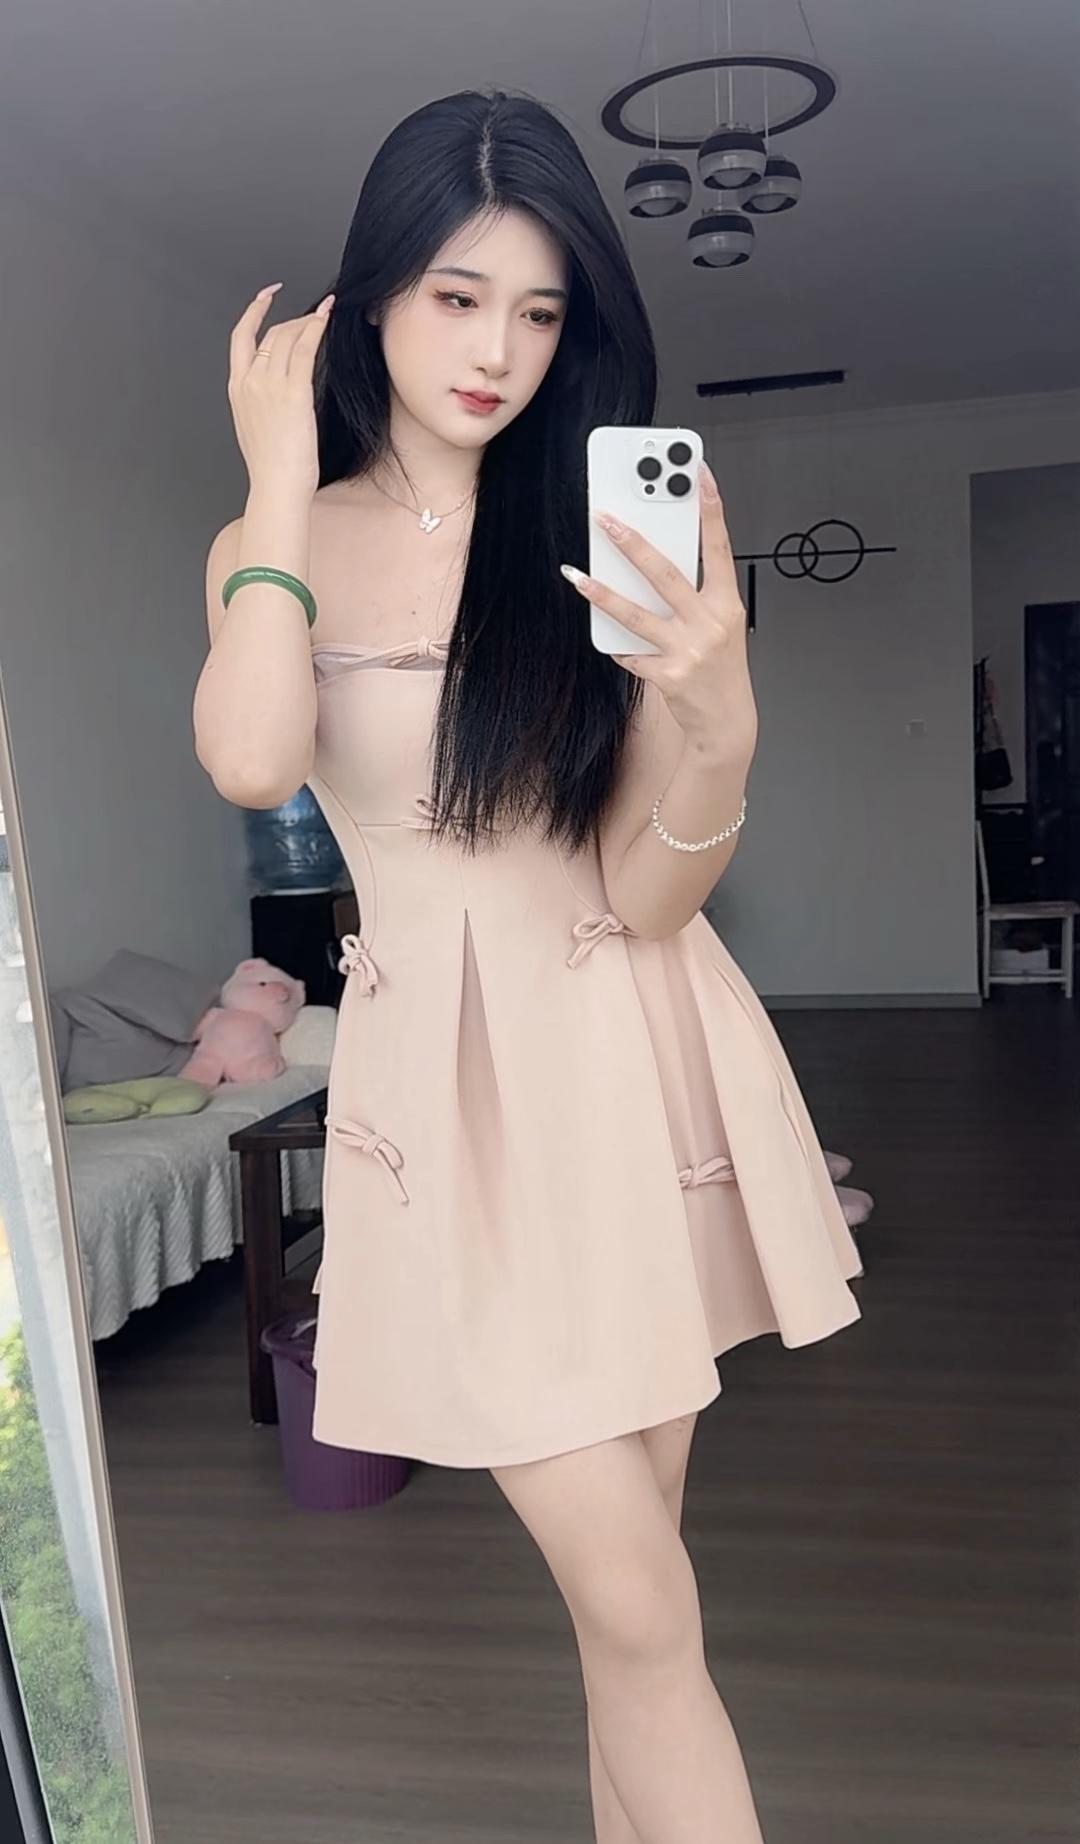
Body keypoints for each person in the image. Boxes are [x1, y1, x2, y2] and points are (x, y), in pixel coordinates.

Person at [193, 86, 863, 1844]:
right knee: (641, 1613)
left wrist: (721, 724)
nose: (498, 350)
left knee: (631, 1618)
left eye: (543, 311)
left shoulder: (606, 527)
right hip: (450, 1112)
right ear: (373, 298)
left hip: (638, 1064)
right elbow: (253, 762)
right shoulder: (275, 542)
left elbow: (649, 894)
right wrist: (277, 483)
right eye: (458, 296)